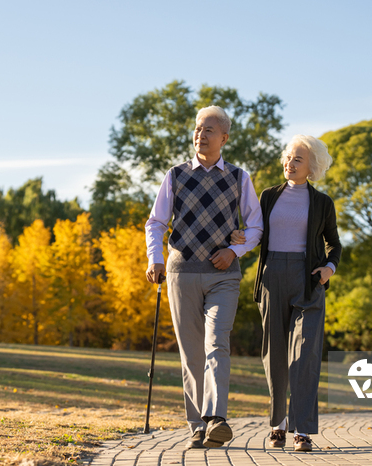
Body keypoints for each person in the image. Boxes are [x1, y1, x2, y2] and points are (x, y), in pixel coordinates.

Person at [145, 106, 263, 449]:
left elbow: (256, 226)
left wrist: (235, 251)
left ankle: (216, 419)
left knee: (217, 344)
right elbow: (156, 222)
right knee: (192, 353)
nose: (201, 134)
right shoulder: (176, 175)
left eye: (209, 130)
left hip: (223, 275)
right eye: (198, 128)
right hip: (181, 271)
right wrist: (156, 258)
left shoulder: (239, 177)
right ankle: (197, 425)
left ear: (224, 138)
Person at [231, 135, 341, 452]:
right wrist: (241, 235)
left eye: (297, 160)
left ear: (312, 167)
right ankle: (278, 425)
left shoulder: (322, 203)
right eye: (288, 157)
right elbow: (255, 230)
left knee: (305, 355)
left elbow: (335, 244)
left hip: (308, 281)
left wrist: (329, 269)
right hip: (272, 277)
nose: (289, 164)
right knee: (275, 354)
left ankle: (302, 431)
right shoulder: (268, 197)